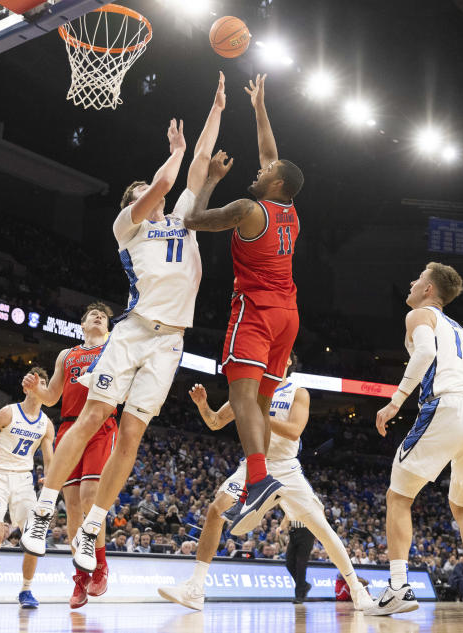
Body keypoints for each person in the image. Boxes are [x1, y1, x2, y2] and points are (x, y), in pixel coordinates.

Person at [21, 74, 225, 571]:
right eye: (139, 195)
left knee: (130, 435)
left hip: (170, 342)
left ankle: (92, 528)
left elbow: (199, 165)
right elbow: (166, 180)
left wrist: (217, 107)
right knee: (92, 415)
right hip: (132, 331)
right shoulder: (126, 227)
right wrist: (172, 155)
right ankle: (43, 510)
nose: (149, 197)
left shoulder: (182, 218)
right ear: (132, 206)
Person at [366, 263, 463, 616]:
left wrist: (395, 402)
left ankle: (397, 588)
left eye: (417, 278)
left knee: (398, 496)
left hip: (447, 407)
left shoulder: (420, 315)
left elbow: (424, 354)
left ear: (428, 290)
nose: (411, 281)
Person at [184, 73, 305, 534]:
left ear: (275, 185)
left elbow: (194, 219)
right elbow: (271, 155)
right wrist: (258, 107)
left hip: (255, 311)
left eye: (264, 175)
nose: (259, 171)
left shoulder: (245, 208)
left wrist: (212, 179)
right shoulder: (288, 209)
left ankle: (258, 480)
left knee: (240, 396)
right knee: (260, 399)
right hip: (288, 316)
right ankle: (258, 479)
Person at [157, 355, 373, 611]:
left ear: (290, 362)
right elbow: (215, 422)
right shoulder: (249, 389)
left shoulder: (298, 393)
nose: (274, 360)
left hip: (287, 468)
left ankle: (358, 591)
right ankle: (195, 587)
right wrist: (203, 406)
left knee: (322, 529)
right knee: (216, 510)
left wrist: (255, 411)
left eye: (279, 356)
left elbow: (294, 431)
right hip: (254, 464)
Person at [22, 302, 118, 608]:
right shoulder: (68, 354)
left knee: (91, 497)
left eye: (103, 316)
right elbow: (52, 396)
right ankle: (80, 578)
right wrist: (36, 389)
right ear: (83, 324)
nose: (99, 317)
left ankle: (100, 565)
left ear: (108, 326)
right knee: (73, 508)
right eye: (93, 314)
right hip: (68, 427)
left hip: (101, 424)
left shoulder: (115, 348)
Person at [0, 367, 55, 609]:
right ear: (27, 386)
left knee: (33, 537)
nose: (39, 388)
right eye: (35, 383)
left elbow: (49, 459)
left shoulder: (46, 425)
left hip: (24, 480)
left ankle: (26, 590)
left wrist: (49, 477)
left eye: (44, 385)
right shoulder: (8, 413)